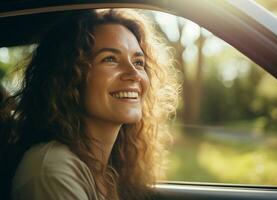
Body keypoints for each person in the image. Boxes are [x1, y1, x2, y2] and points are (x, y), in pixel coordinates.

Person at [0, 9, 179, 200]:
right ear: (69, 77)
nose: (134, 73)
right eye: (110, 59)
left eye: (138, 61)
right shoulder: (52, 170)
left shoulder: (108, 169)